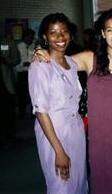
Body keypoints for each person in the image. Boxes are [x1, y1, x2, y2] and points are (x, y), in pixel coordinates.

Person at [33, 8, 112, 194]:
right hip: (100, 140)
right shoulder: (90, 59)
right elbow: (57, 63)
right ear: (102, 33)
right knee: (103, 183)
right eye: (109, 30)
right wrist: (38, 52)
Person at [28, 13, 87, 193]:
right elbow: (40, 112)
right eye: (53, 33)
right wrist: (59, 151)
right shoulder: (40, 66)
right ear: (45, 37)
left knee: (79, 181)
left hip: (76, 131)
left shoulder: (71, 62)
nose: (60, 37)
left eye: (64, 31)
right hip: (53, 133)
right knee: (61, 185)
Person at [16, 28, 35, 119]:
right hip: (22, 73)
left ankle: (33, 112)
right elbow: (16, 61)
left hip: (32, 73)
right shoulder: (18, 46)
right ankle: (21, 112)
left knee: (32, 94)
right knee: (22, 94)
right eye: (31, 37)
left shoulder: (33, 46)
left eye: (32, 37)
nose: (32, 39)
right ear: (25, 37)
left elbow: (34, 59)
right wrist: (23, 63)